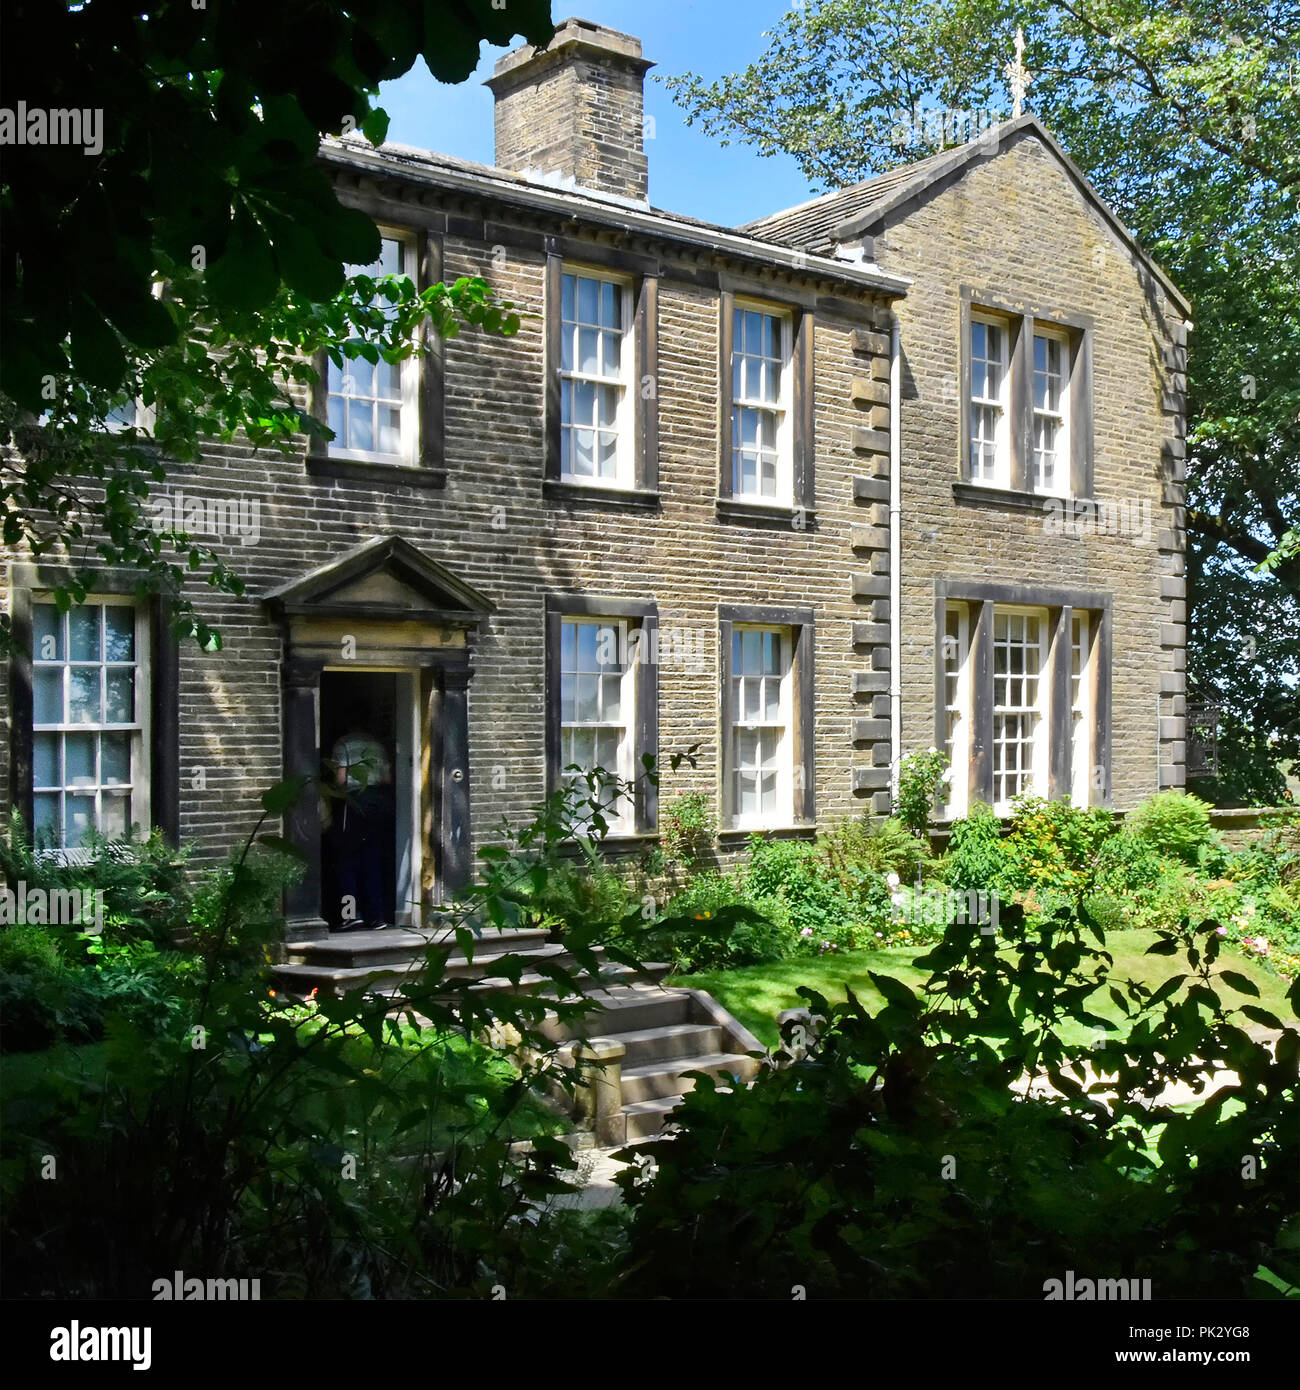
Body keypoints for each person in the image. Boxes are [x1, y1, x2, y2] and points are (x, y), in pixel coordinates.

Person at [325, 727, 393, 930]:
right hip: (378, 803)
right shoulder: (377, 745)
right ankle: (376, 917)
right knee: (372, 860)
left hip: (355, 802)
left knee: (346, 860)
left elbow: (341, 779)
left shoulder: (343, 744)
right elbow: (387, 779)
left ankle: (350, 914)